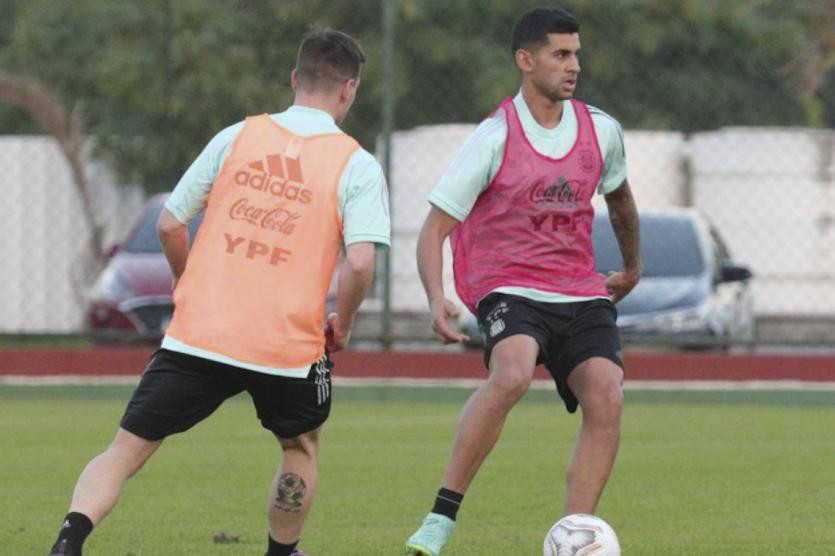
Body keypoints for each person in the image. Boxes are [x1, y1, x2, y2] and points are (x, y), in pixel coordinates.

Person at [47, 28, 390, 556]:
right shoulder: (356, 164)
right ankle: (281, 552)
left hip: (200, 333)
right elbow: (361, 262)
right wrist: (342, 323)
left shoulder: (237, 136)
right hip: (286, 345)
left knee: (127, 449)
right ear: (349, 90)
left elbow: (168, 224)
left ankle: (69, 540)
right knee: (299, 446)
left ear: (295, 79)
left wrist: (188, 284)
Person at [403, 7, 641, 556]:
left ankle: (575, 535)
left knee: (607, 395)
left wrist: (632, 268)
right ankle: (440, 520)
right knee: (511, 373)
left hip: (579, 287)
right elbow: (434, 228)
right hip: (508, 284)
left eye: (576, 53)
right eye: (561, 54)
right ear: (525, 60)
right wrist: (437, 298)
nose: (573, 64)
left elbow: (622, 201)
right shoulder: (494, 136)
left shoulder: (601, 130)